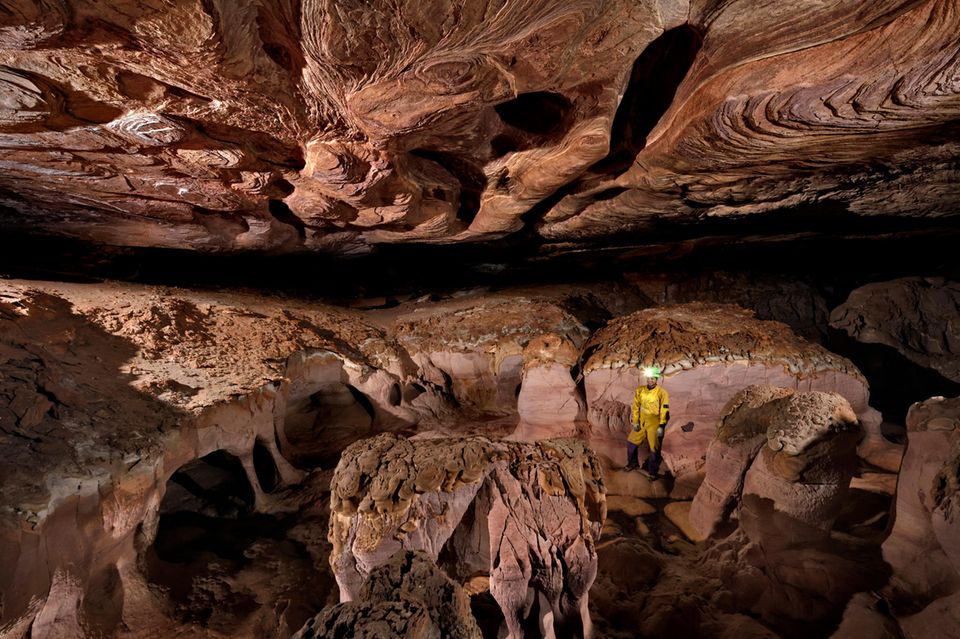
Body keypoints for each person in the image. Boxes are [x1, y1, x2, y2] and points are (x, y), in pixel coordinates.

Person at [624, 366, 669, 479]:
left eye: (653, 378)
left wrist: (662, 425)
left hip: (655, 421)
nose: (650, 380)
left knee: (654, 447)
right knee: (631, 442)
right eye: (649, 378)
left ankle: (652, 472)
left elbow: (665, 409)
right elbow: (636, 406)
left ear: (656, 379)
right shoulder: (640, 390)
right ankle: (633, 463)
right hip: (642, 420)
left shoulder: (662, 393)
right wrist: (635, 421)